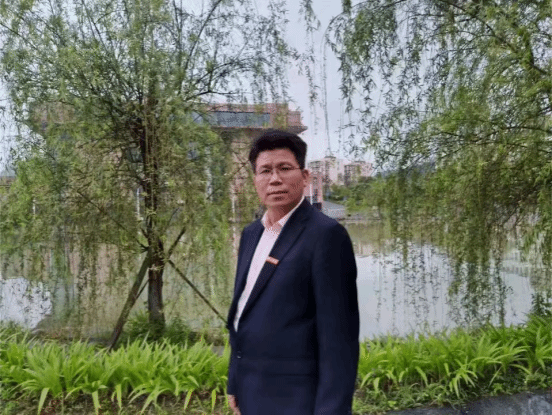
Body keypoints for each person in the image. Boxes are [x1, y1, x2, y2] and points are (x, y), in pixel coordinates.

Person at [226, 129, 359, 415]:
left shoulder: (326, 236)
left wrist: (332, 410)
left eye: (284, 168)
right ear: (255, 180)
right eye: (265, 171)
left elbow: (339, 339)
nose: (274, 179)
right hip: (251, 391)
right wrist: (234, 382)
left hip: (298, 399)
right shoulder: (251, 234)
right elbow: (242, 314)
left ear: (305, 176)